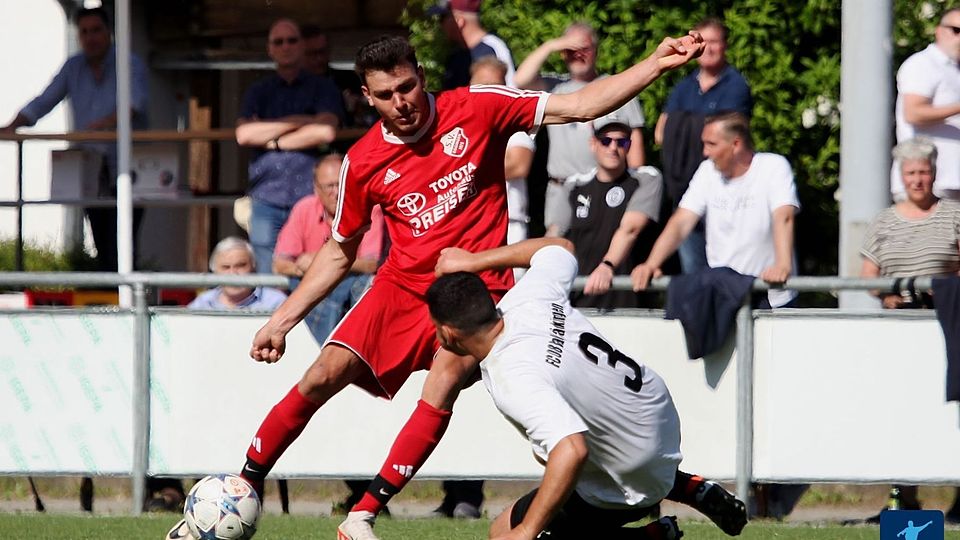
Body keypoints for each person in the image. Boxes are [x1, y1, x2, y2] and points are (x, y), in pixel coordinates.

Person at [166, 29, 706, 540]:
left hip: (480, 284)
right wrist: (281, 320)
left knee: (445, 379)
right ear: (367, 97)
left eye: (406, 86)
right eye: (385, 94)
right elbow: (340, 250)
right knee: (320, 375)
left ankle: (362, 515)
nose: (400, 101)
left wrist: (656, 62)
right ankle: (244, 484)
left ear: (420, 76)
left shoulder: (477, 105)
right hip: (402, 287)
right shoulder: (363, 161)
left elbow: (582, 106)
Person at [427, 237, 747, 539]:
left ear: (449, 334)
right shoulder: (526, 297)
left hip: (633, 467)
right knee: (559, 467)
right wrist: (473, 261)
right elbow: (561, 248)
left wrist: (525, 533)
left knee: (505, 531)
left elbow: (572, 450)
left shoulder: (512, 376)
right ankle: (684, 489)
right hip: (653, 409)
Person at [1, 6, 149, 272]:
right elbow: (45, 100)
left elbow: (133, 105)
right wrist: (12, 127)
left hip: (127, 167)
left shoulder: (129, 62)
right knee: (102, 240)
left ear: (109, 32)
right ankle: (109, 302)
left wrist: (101, 126)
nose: (90, 37)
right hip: (91, 168)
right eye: (84, 32)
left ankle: (126, 302)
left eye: (96, 30)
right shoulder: (74, 66)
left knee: (124, 241)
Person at [860, 138, 960, 523]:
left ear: (934, 174)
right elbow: (868, 277)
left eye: (924, 172)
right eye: (911, 173)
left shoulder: (952, 214)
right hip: (899, 330)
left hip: (947, 325)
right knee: (901, 410)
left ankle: (956, 495)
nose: (918, 180)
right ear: (901, 176)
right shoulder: (884, 221)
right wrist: (888, 296)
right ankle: (902, 497)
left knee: (950, 409)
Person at [631, 112, 799, 310]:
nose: (705, 152)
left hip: (771, 295)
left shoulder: (773, 167)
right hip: (724, 294)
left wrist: (783, 266)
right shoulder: (706, 172)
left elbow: (784, 216)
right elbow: (681, 223)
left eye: (711, 144)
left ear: (735, 144)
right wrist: (651, 264)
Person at [513, 22, 647, 233]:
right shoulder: (554, 87)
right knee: (555, 253)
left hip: (608, 188)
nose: (578, 55)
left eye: (584, 48)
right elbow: (520, 80)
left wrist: (636, 190)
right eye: (571, 50)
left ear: (596, 51)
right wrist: (552, 45)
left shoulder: (616, 86)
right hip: (563, 189)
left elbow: (636, 143)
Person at [236, 18, 344, 274]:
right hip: (266, 194)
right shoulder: (258, 91)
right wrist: (301, 121)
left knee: (312, 268)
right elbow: (244, 134)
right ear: (270, 48)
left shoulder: (322, 86)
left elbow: (326, 130)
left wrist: (271, 137)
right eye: (278, 41)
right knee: (266, 272)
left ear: (302, 46)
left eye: (292, 40)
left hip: (310, 195)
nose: (285, 46)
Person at [654, 17, 752, 274]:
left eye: (715, 42)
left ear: (725, 46)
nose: (708, 48)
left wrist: (683, 125)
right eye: (703, 41)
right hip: (686, 189)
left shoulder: (736, 85)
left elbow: (731, 130)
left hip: (724, 188)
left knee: (728, 268)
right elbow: (660, 133)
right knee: (693, 271)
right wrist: (700, 126)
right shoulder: (683, 87)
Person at [547, 113, 663, 310]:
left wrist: (606, 266)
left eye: (621, 142)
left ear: (629, 145)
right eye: (606, 141)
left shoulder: (646, 179)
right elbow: (554, 238)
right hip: (579, 299)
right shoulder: (574, 185)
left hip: (628, 299)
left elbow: (630, 230)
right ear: (593, 143)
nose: (613, 148)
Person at [272, 153, 385, 345]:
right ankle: (335, 346)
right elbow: (279, 264)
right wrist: (300, 267)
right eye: (329, 186)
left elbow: (371, 263)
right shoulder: (304, 209)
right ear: (316, 189)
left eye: (341, 184)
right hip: (315, 288)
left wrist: (318, 263)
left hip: (350, 285)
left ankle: (331, 346)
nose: (337, 192)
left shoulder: (371, 209)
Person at [891, 7, 960, 202]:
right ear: (938, 30)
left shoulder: (954, 69)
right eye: (956, 30)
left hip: (950, 181)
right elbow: (913, 113)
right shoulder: (923, 64)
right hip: (925, 184)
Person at [430, 0, 517, 89]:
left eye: (442, 18)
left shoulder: (493, 48)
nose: (440, 25)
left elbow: (511, 92)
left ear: (459, 21)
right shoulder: (455, 57)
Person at [300, 26, 373, 128]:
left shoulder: (350, 79)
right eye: (311, 54)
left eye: (322, 52)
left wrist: (358, 105)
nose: (318, 58)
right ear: (298, 54)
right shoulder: (291, 85)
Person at [188, 237, 288, 311]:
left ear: (254, 267)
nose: (233, 273)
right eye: (226, 267)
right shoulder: (203, 303)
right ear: (214, 271)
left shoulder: (276, 303)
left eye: (240, 266)